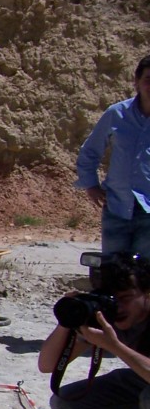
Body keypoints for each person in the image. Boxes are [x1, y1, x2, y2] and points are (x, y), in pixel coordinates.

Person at [38, 255, 150, 409]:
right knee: (67, 403)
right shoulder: (108, 314)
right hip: (142, 376)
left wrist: (115, 346)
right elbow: (47, 364)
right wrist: (67, 320)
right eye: (112, 299)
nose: (118, 307)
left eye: (126, 298)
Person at [76, 53, 150, 257]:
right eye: (147, 80)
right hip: (117, 207)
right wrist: (90, 184)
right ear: (136, 82)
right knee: (114, 272)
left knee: (144, 279)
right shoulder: (117, 114)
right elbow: (90, 151)